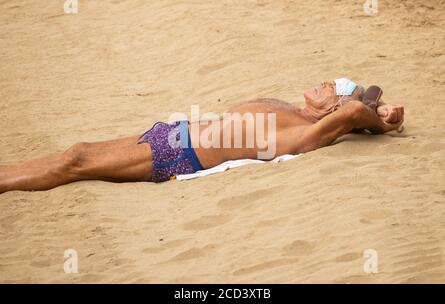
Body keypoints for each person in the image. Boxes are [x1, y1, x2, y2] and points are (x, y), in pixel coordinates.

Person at [0, 78, 404, 193]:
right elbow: (353, 109)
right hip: (174, 134)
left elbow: (354, 112)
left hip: (181, 156)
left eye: (335, 86)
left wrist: (379, 118)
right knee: (79, 151)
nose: (325, 83)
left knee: (75, 164)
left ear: (336, 109)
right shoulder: (293, 110)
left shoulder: (307, 132)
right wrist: (373, 109)